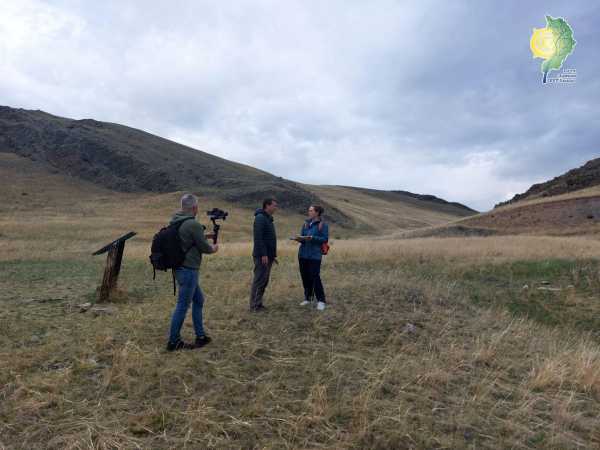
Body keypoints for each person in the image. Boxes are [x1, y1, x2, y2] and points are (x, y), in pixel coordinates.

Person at [167, 193, 219, 351]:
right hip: (189, 270)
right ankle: (173, 341)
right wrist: (213, 248)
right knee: (183, 305)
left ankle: (201, 336)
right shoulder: (193, 224)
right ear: (195, 207)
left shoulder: (176, 220)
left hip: (179, 268)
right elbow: (204, 248)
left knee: (199, 300)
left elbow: (187, 238)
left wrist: (204, 236)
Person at [294, 205, 329, 311]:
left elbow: (324, 239)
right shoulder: (305, 224)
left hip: (315, 255)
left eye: (311, 210)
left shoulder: (323, 225)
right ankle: (308, 298)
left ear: (317, 212)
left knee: (315, 277)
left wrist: (313, 238)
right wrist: (299, 239)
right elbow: (303, 238)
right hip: (303, 254)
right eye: (309, 210)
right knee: (305, 277)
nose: (309, 212)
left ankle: (321, 301)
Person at [249, 198, 278, 311]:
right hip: (262, 256)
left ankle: (258, 303)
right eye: (274, 205)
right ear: (267, 205)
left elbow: (268, 238)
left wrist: (272, 256)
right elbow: (258, 237)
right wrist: (263, 254)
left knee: (264, 281)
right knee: (259, 279)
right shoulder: (260, 218)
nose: (276, 208)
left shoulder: (268, 219)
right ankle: (254, 306)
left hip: (268, 256)